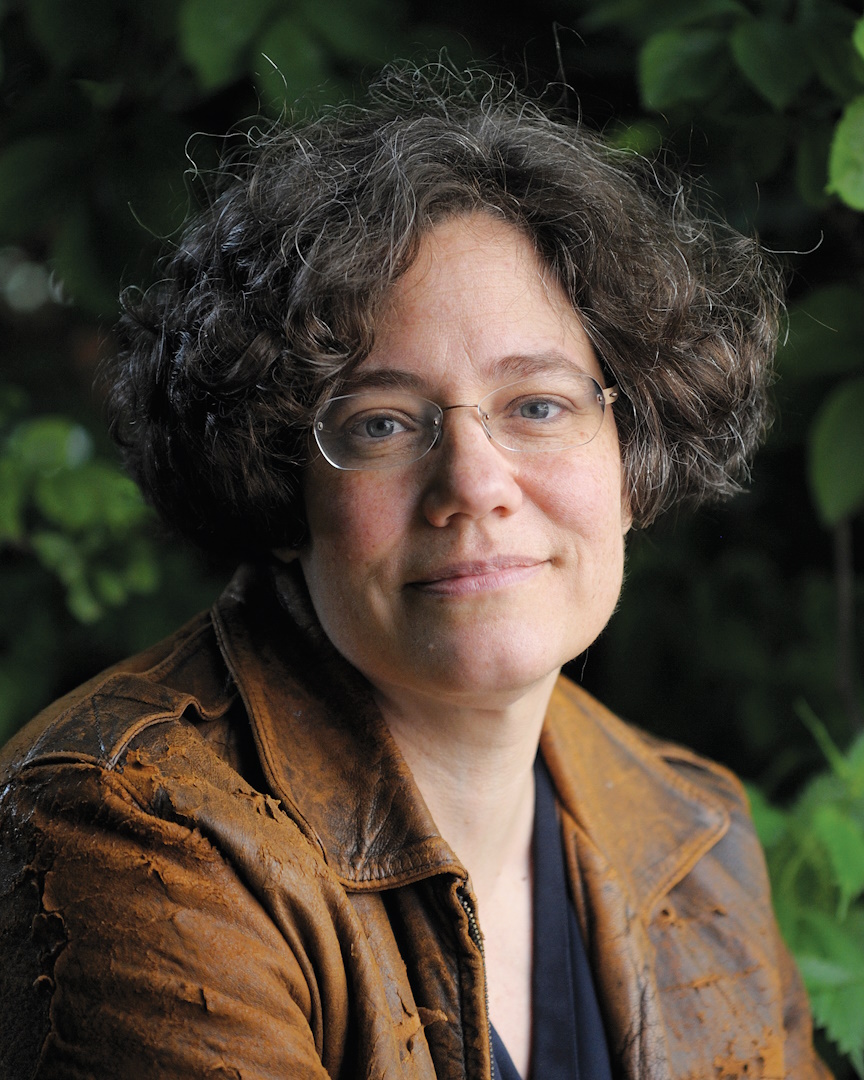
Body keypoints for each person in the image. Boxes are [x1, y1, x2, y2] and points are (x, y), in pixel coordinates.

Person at [0, 63, 830, 1079]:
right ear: (281, 483)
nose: (474, 485)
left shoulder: (697, 831)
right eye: (383, 423)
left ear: (635, 458)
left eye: (538, 406)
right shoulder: (131, 825)